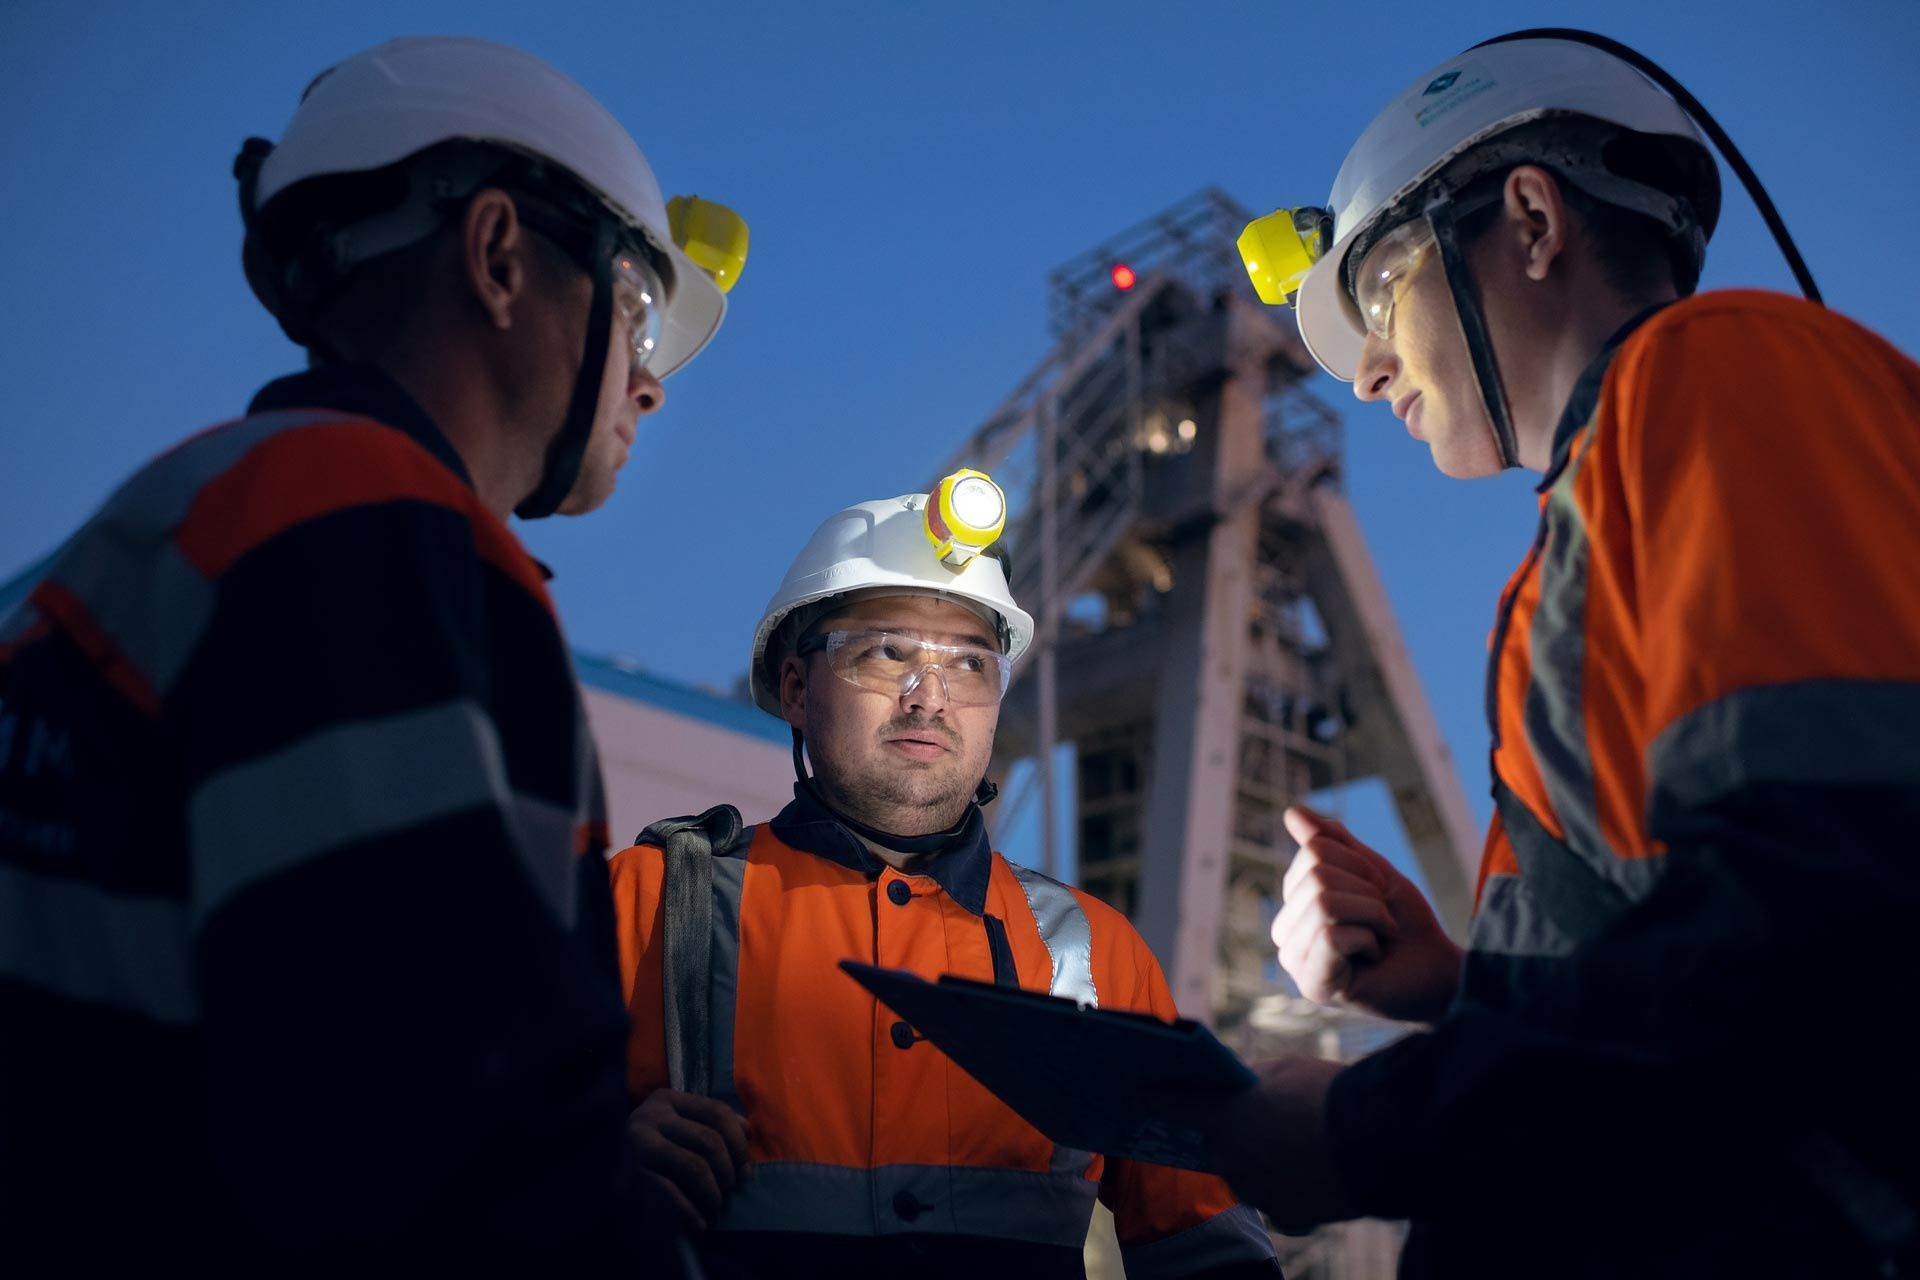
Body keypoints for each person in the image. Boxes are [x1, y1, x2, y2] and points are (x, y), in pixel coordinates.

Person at [0, 35, 744, 1271]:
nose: (650, 385)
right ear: (501, 256)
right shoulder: (353, 521)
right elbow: (435, 1117)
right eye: (637, 306)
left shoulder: (171, 526)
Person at [1194, 33, 1920, 1277]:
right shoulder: (1597, 509)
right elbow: (1706, 979)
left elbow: (1840, 913)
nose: (1366, 374)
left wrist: (1358, 1125)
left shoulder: (1719, 369)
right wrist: (1462, 985)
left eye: (1375, 297)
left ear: (1530, 218)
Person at [608, 475, 1282, 1279]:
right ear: (796, 688)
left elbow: (1211, 1253)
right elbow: (452, 1163)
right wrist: (584, 1175)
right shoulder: (647, 904)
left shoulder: (1095, 953)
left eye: (969, 664)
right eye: (886, 652)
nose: (929, 698)